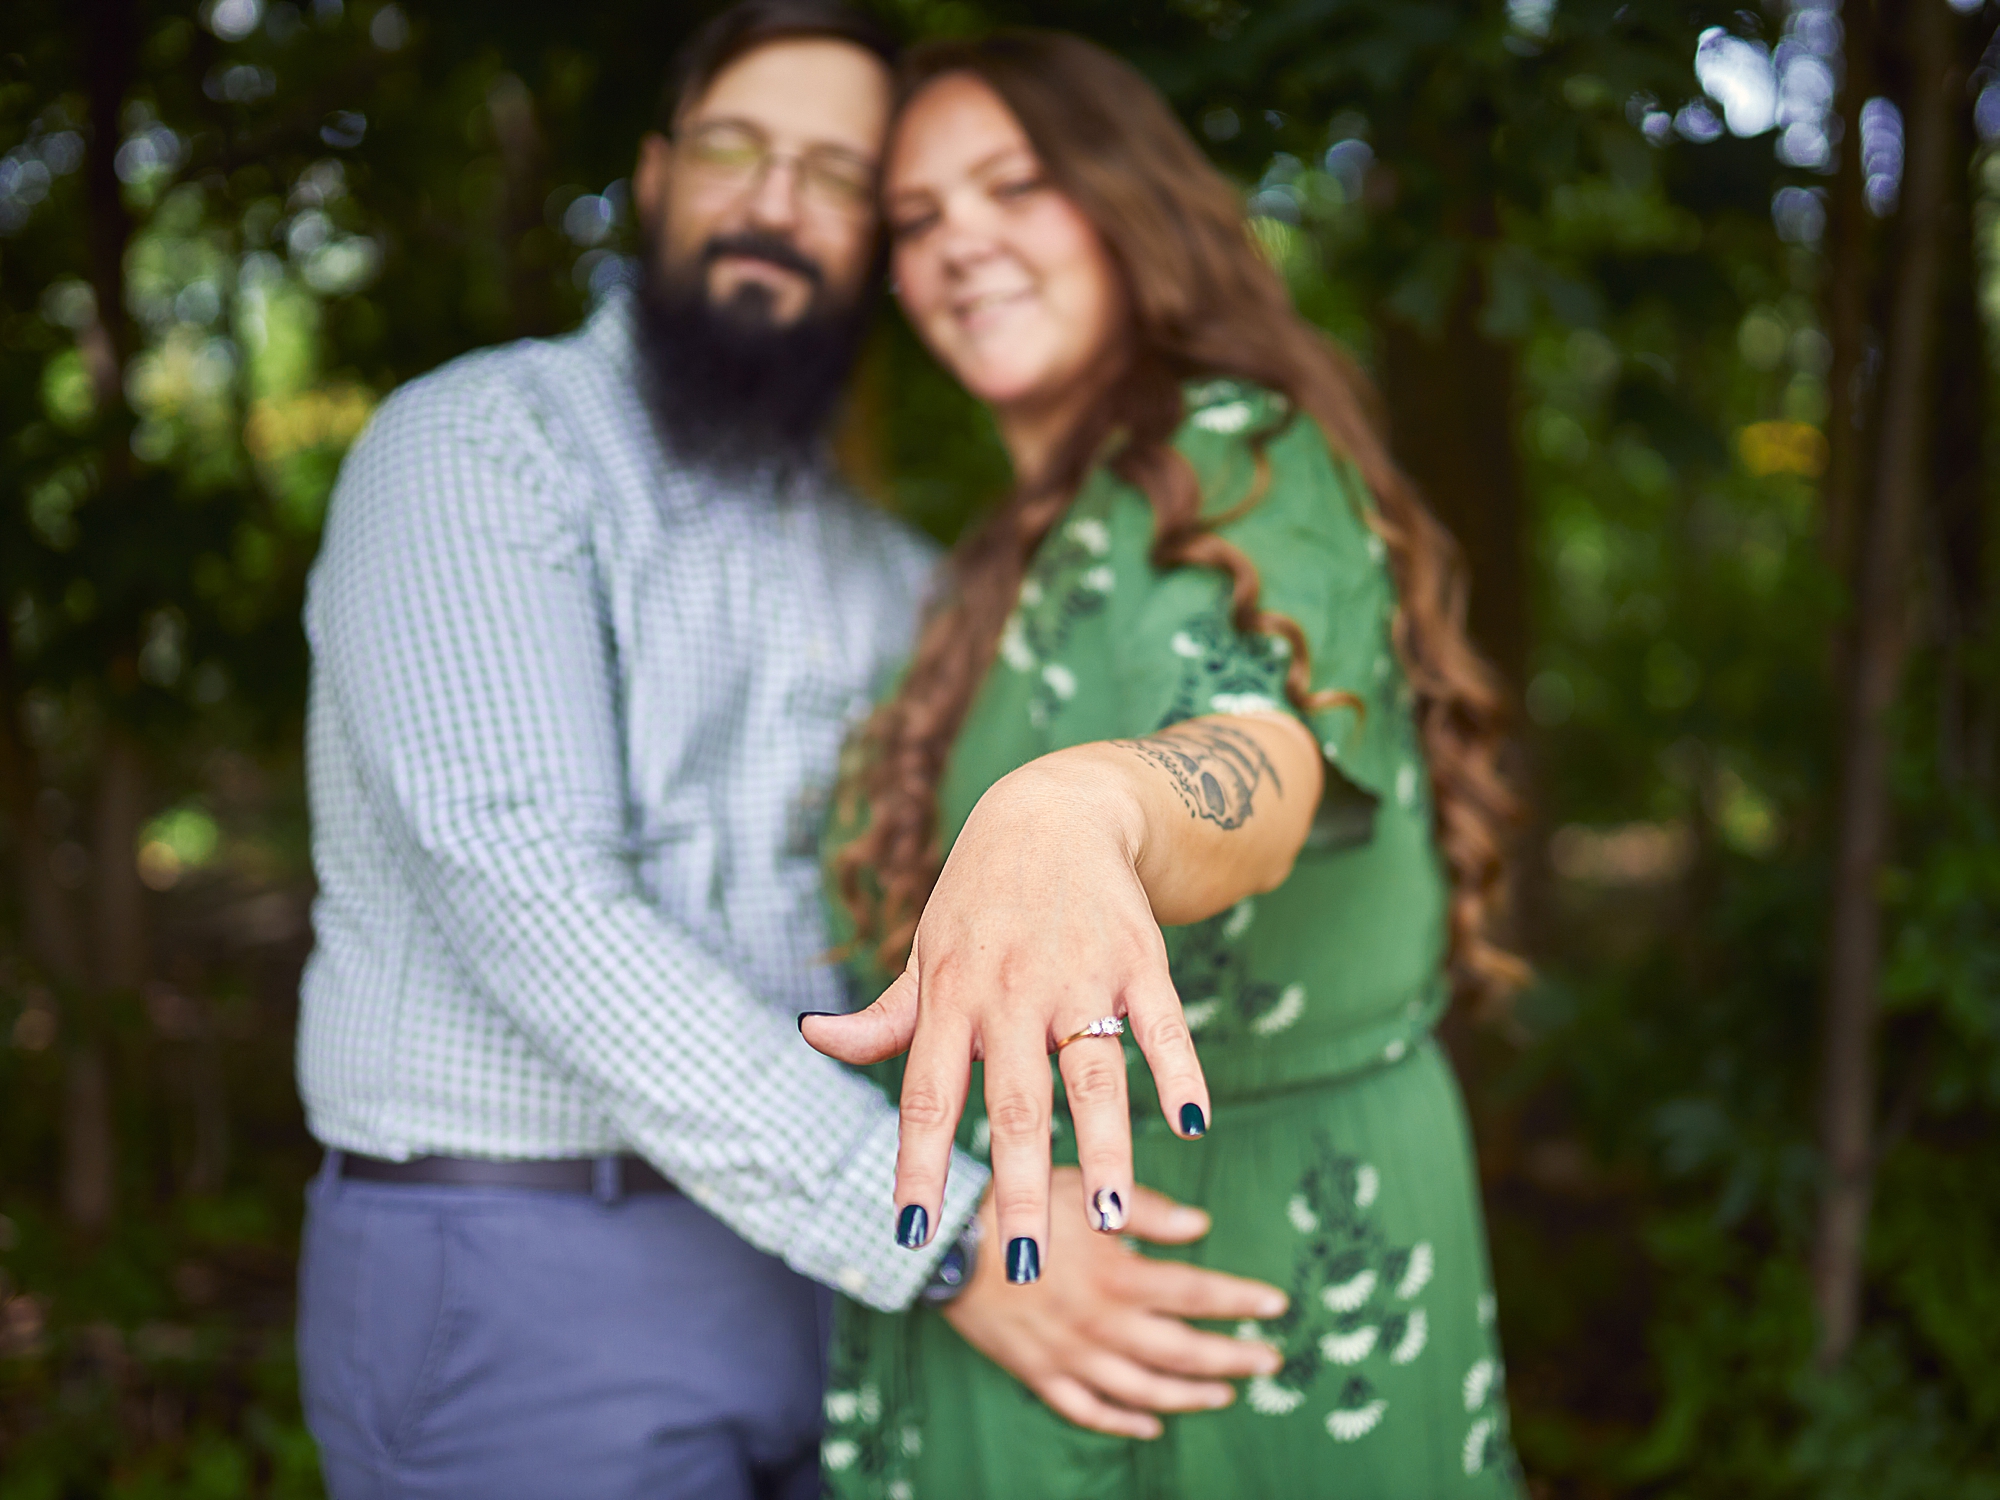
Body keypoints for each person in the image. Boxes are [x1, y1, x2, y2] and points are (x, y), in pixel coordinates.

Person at [293, 6, 1288, 1498]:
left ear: (876, 243)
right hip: (526, 1263)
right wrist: (951, 1236)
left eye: (833, 175)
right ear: (652, 178)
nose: (773, 202)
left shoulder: (896, 574)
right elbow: (530, 897)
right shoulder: (478, 450)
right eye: (736, 152)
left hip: (829, 1274)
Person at [804, 30, 1528, 1497]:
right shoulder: (995, 557)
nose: (964, 245)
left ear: (1128, 202)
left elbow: (1255, 745)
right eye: (919, 219)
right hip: (1011, 1272)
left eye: (1017, 187)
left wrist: (1081, 806)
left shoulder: (1240, 455)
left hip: (1226, 1283)